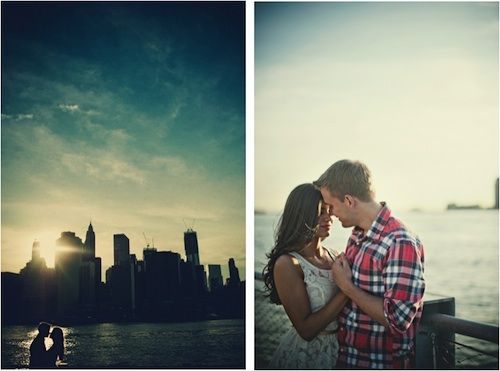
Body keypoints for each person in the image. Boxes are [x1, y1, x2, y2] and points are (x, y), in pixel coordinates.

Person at [314, 159, 425, 368]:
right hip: (347, 359)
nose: (331, 214)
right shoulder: (357, 234)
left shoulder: (399, 241)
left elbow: (398, 320)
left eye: (332, 206)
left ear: (348, 200)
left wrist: (347, 287)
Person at [262, 183, 348, 369]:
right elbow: (306, 330)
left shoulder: (336, 257)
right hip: (307, 357)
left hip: (344, 352)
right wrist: (347, 290)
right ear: (302, 216)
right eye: (320, 213)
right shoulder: (288, 264)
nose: (328, 218)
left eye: (328, 211)